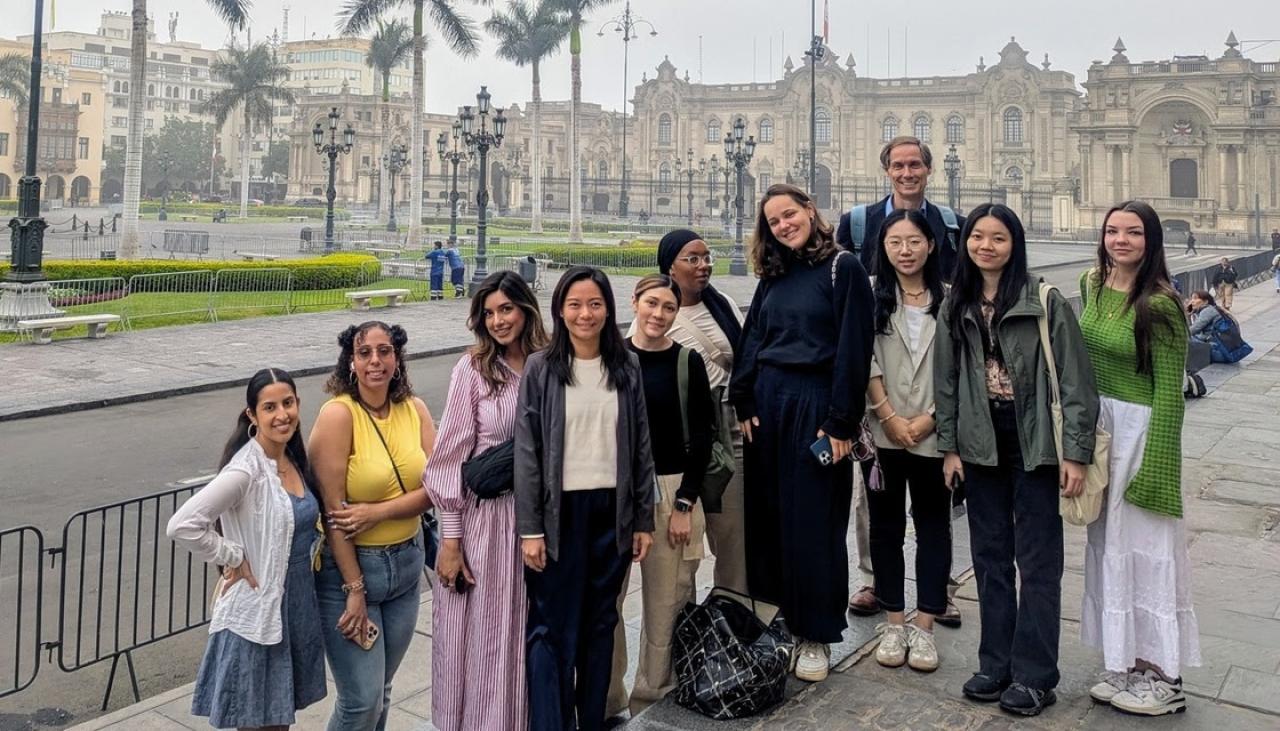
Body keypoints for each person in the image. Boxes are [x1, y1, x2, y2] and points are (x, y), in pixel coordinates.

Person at [934, 203, 1099, 716]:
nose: (986, 246)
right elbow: (947, 382)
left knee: (1038, 561)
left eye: (998, 238)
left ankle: (1035, 674)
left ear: (1015, 243)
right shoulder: (955, 302)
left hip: (1036, 443)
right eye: (978, 237)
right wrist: (950, 446)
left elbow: (1075, 382)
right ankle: (996, 662)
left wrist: (1076, 452)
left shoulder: (1044, 299)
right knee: (988, 557)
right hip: (982, 441)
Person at [729, 183, 875, 683]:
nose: (783, 225)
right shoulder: (775, 274)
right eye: (773, 221)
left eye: (789, 214)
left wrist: (841, 422)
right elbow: (754, 338)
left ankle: (816, 633)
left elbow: (854, 349)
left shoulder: (843, 268)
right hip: (769, 405)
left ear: (811, 211)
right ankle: (783, 619)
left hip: (816, 406)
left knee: (815, 521)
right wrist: (743, 397)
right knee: (769, 518)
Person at [515, 265, 656, 731]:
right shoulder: (541, 368)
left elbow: (640, 446)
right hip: (559, 516)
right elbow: (528, 451)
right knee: (552, 629)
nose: (585, 314)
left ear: (608, 310)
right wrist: (530, 528)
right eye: (574, 304)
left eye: (595, 304)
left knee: (600, 627)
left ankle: (591, 720)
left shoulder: (625, 365)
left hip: (610, 513)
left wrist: (643, 521)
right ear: (559, 310)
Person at [1078, 201, 1202, 716]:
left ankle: (1163, 676)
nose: (1120, 240)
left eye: (1132, 232)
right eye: (1112, 231)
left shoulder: (1161, 304)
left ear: (1151, 241)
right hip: (1103, 432)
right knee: (1108, 547)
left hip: (1141, 435)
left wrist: (1160, 468)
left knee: (1148, 551)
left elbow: (1170, 393)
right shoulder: (1091, 284)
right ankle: (1125, 662)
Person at [424, 272, 550, 730]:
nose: (498, 321)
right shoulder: (473, 370)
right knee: (483, 633)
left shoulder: (548, 362)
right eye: (490, 312)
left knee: (524, 632)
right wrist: (451, 541)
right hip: (487, 522)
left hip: (539, 518)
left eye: (507, 309)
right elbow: (449, 459)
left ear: (525, 310)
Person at [169, 368, 326, 730]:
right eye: (269, 407)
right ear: (252, 416)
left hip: (296, 606)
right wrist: (233, 557)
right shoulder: (246, 471)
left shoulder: (293, 461)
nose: (281, 414)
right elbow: (182, 525)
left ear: (298, 404)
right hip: (258, 615)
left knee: (279, 720)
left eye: (287, 403)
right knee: (257, 722)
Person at [308, 322, 436, 731]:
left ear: (397, 359)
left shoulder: (414, 409)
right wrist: (355, 590)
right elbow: (333, 515)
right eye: (365, 353)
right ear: (351, 361)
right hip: (351, 570)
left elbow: (440, 485)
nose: (375, 361)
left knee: (381, 690)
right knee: (360, 701)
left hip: (406, 566)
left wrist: (376, 512)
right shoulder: (338, 415)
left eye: (385, 351)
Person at [862, 209, 952, 674]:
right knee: (885, 527)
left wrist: (930, 420)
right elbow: (864, 357)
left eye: (914, 241)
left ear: (931, 245)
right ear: (884, 247)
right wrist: (889, 417)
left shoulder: (952, 301)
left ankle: (925, 624)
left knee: (935, 526)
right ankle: (894, 620)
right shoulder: (871, 297)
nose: (905, 250)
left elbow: (959, 369)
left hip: (933, 435)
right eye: (895, 242)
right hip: (884, 433)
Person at [623, 274, 714, 715]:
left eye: (668, 308)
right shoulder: (612, 358)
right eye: (651, 304)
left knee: (667, 604)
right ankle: (603, 700)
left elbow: (701, 436)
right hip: (617, 490)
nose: (658, 314)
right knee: (607, 606)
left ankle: (652, 697)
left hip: (672, 487)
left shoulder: (686, 362)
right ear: (635, 302)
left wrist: (684, 504)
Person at [653, 229, 748, 592]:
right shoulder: (660, 310)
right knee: (682, 542)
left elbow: (745, 358)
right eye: (692, 259)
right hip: (680, 435)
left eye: (706, 257)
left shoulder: (720, 302)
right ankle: (684, 628)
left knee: (732, 538)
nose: (704, 265)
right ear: (670, 267)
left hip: (727, 426)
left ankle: (733, 618)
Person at [835, 135, 966, 281]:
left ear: (929, 169)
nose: (907, 174)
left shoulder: (955, 228)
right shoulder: (855, 225)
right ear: (887, 171)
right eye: (898, 166)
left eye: (914, 165)